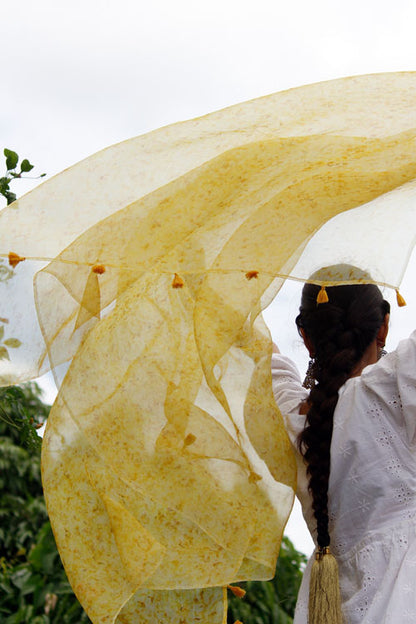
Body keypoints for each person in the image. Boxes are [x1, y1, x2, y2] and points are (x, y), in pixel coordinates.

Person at [271, 265, 416, 623]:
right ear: (383, 326)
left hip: (325, 608)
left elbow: (251, 352)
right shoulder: (395, 386)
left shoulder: (291, 418)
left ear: (305, 337)